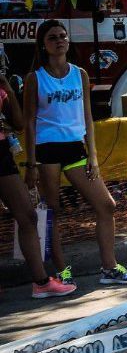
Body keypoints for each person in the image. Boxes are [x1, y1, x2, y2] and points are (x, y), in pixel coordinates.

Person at [22, 20, 127, 288]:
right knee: (52, 212)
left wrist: (94, 156)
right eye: (53, 37)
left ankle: (109, 266)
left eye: (63, 36)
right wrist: (30, 163)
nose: (60, 41)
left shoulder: (80, 74)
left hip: (77, 148)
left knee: (106, 204)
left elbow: (87, 117)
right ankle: (62, 270)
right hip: (47, 150)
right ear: (43, 44)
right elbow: (29, 122)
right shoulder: (35, 78)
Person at [0, 74, 73, 298]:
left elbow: (20, 123)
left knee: (28, 216)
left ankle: (41, 282)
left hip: (2, 151)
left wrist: (8, 89)